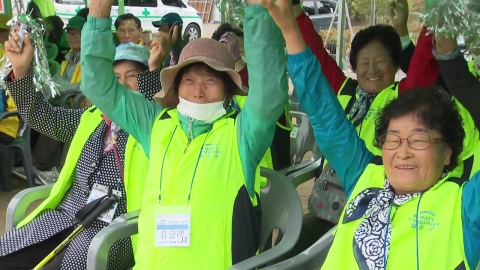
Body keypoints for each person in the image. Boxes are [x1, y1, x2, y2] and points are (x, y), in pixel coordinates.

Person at [266, 0, 480, 268]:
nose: (403, 150)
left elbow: (426, 66)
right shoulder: (366, 174)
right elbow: (322, 108)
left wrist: (437, 23)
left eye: (419, 139)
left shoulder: (464, 207)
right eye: (393, 139)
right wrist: (289, 28)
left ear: (448, 151)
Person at [80, 0, 287, 266]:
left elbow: (269, 91)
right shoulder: (156, 124)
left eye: (210, 81)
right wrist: (98, 15)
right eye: (189, 80)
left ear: (227, 90)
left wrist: (259, 9)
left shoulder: (242, 135)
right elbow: (98, 86)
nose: (198, 91)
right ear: (176, 87)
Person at [0, 37, 157, 269]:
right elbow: (41, 117)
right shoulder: (90, 117)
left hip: (114, 229)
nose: (121, 85)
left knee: (71, 263)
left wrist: (155, 73)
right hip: (66, 217)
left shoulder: (155, 124)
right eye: (114, 79)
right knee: (8, 252)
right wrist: (22, 71)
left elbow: (157, 107)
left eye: (132, 76)